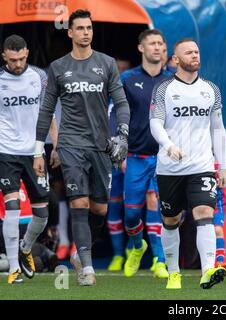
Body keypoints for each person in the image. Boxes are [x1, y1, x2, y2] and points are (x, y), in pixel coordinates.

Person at [34, 9, 130, 286]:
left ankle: (80, 250)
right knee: (79, 202)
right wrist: (40, 148)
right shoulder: (58, 67)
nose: (86, 32)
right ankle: (87, 267)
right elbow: (47, 109)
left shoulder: (107, 63)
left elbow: (121, 103)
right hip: (70, 144)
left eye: (89, 28)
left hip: (100, 145)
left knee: (99, 209)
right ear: (70, 32)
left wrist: (122, 135)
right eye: (81, 28)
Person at [150, 38, 226, 290]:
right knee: (171, 219)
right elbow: (155, 123)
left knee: (205, 213)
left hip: (202, 166)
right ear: (175, 60)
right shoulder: (164, 89)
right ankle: (174, 272)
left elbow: (218, 129)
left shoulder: (211, 89)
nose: (195, 55)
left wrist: (223, 166)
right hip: (170, 167)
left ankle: (207, 271)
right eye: (189, 52)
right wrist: (169, 146)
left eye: (197, 51)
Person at [0, 35, 54, 284]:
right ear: (4, 57)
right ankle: (13, 268)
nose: (18, 64)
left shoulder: (39, 77)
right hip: (6, 152)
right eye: (13, 60)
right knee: (11, 207)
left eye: (22, 58)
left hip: (35, 152)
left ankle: (25, 247)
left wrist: (57, 146)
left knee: (42, 213)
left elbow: (49, 113)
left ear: (27, 53)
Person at [119, 29, 170, 279]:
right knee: (130, 215)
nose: (157, 48)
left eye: (161, 44)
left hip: (163, 157)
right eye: (152, 43)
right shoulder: (127, 79)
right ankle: (137, 246)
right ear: (141, 48)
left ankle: (160, 259)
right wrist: (119, 149)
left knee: (158, 204)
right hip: (135, 156)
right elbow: (115, 114)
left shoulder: (173, 79)